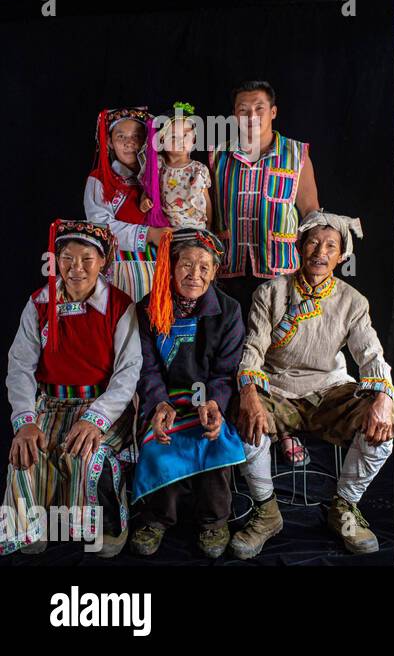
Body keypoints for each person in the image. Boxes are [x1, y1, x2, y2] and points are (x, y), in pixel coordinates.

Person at [231, 211, 394, 558]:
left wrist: (383, 397)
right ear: (300, 247)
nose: (320, 252)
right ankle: (267, 513)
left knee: (383, 427)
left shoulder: (353, 302)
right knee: (245, 422)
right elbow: (254, 348)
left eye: (331, 246)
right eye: (313, 243)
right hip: (277, 389)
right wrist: (248, 393)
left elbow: (370, 354)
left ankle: (344, 509)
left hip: (329, 391)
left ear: (341, 256)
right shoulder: (271, 293)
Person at [1, 220, 141, 557]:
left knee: (88, 454)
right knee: (27, 452)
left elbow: (127, 372)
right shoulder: (39, 303)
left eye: (86, 259)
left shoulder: (120, 307)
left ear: (103, 262)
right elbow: (20, 366)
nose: (75, 268)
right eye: (67, 258)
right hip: (49, 403)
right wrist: (26, 421)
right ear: (56, 259)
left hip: (100, 405)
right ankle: (31, 526)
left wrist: (95, 420)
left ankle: (107, 526)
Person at [209, 81, 320, 465]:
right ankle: (232, 432)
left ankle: (282, 432)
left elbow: (311, 214)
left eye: (259, 107)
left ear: (273, 112)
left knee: (279, 353)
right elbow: (205, 214)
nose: (250, 115)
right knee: (232, 351)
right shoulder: (217, 155)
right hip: (228, 271)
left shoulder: (296, 154)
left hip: (279, 273)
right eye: (242, 108)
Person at [130, 228, 246, 558]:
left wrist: (214, 403)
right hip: (164, 399)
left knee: (214, 437)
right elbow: (147, 367)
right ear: (171, 265)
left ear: (215, 271)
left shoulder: (229, 311)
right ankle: (156, 518)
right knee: (159, 441)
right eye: (187, 265)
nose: (195, 275)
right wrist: (157, 405)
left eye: (204, 267)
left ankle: (213, 521)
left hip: (207, 399)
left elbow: (225, 371)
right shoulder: (148, 309)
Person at [84, 107, 171, 302]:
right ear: (109, 142)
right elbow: (101, 228)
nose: (130, 142)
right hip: (123, 270)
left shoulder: (163, 176)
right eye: (121, 136)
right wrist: (149, 234)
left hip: (162, 267)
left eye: (137, 136)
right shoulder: (100, 180)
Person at [151, 102, 213, 230]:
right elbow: (148, 187)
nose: (181, 140)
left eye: (186, 135)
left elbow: (206, 200)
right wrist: (143, 201)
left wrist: (209, 225)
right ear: (162, 140)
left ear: (194, 139)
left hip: (196, 228)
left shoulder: (199, 169)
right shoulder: (158, 164)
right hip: (166, 230)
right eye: (173, 136)